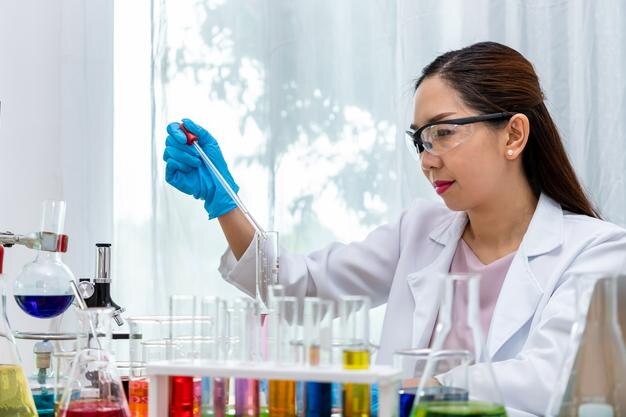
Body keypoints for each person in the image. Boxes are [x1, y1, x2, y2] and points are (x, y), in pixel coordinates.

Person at [162, 42, 626, 416]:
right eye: (420, 140)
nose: (428, 159)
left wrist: (410, 391)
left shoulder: (597, 251)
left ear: (513, 135)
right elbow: (298, 288)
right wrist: (224, 202)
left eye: (444, 132)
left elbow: (555, 379)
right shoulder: (420, 231)